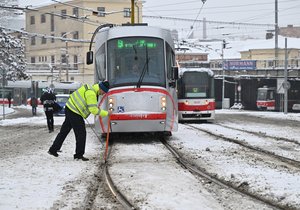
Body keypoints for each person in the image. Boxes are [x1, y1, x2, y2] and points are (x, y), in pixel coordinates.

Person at [48, 80, 110, 161]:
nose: (103, 94)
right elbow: (93, 110)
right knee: (81, 133)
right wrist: (107, 113)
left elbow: (91, 105)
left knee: (64, 130)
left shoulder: (90, 88)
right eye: (104, 92)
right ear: (101, 89)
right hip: (75, 111)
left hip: (70, 107)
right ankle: (78, 155)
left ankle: (53, 149)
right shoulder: (91, 93)